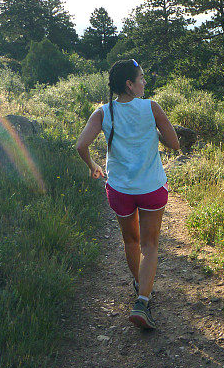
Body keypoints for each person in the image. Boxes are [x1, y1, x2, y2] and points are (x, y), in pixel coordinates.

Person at [75, 59, 180, 329]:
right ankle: (142, 301)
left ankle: (138, 285)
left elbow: (81, 145)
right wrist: (152, 131)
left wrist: (93, 166)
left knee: (131, 241)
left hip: (120, 189)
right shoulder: (151, 108)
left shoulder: (103, 112)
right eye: (141, 78)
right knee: (150, 245)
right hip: (151, 188)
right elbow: (174, 143)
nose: (145, 82)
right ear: (129, 85)